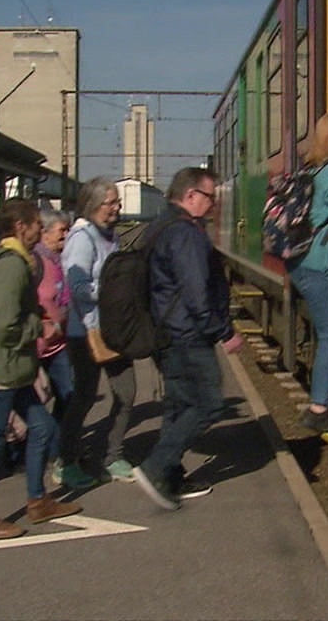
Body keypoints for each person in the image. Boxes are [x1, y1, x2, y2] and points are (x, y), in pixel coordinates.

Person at [0, 197, 81, 540]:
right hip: (2, 369)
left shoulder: (16, 261)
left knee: (42, 428)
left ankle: (37, 499)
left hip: (15, 368)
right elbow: (3, 323)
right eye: (35, 224)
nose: (39, 229)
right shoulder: (12, 266)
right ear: (21, 227)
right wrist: (39, 328)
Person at [132, 168, 244, 511]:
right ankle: (156, 468)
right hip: (187, 336)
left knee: (179, 405)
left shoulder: (161, 224)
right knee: (207, 404)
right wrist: (223, 331)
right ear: (191, 195)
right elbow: (196, 291)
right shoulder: (185, 234)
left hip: (168, 333)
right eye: (210, 197)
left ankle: (171, 476)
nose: (213, 205)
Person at [59, 178, 138, 488]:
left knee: (126, 392)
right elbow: (77, 287)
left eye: (117, 202)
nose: (117, 207)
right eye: (111, 203)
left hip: (113, 328)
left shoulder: (109, 236)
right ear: (93, 205)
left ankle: (113, 455)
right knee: (84, 397)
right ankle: (65, 461)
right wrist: (113, 291)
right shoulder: (82, 238)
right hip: (86, 331)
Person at [288, 112, 328, 434]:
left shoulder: (314, 169)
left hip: (300, 263)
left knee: (325, 332)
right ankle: (318, 408)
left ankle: (320, 401)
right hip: (316, 265)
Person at [34, 209, 73, 422]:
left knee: (67, 394)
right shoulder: (35, 262)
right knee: (36, 400)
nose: (66, 235)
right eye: (61, 230)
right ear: (44, 233)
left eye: (68, 229)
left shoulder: (60, 260)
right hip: (38, 345)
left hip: (59, 344)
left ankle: (58, 448)